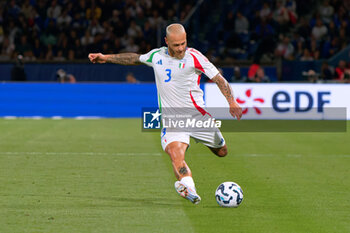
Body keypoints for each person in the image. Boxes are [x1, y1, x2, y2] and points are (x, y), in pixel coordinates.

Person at [88, 23, 242, 204]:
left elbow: (219, 79)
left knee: (222, 152)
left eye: (183, 43)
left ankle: (203, 153)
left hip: (198, 116)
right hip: (173, 120)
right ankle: (189, 188)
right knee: (175, 154)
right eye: (176, 45)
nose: (181, 49)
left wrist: (231, 101)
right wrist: (105, 58)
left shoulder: (195, 57)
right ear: (166, 41)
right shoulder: (156, 55)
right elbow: (134, 58)